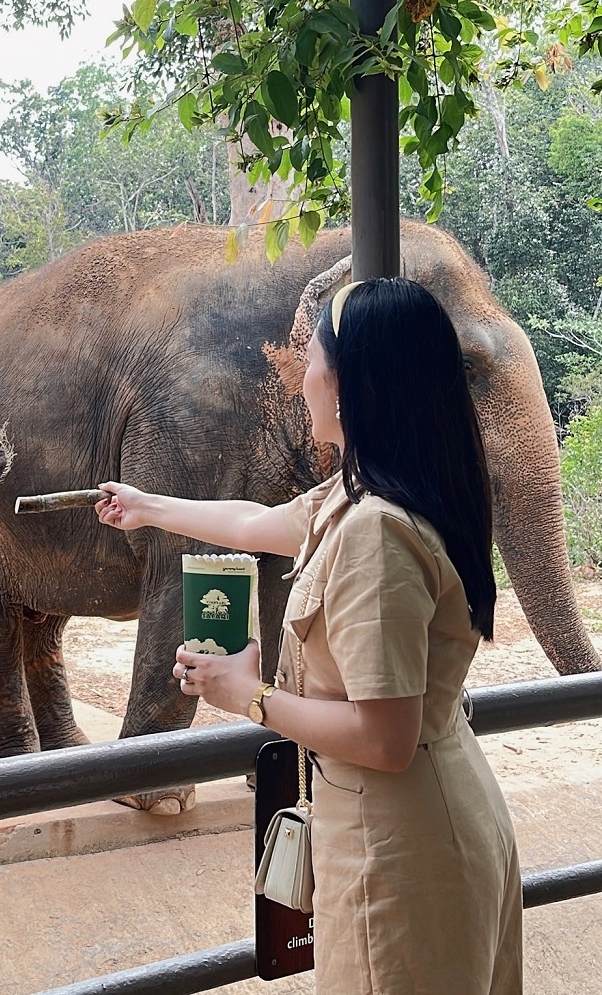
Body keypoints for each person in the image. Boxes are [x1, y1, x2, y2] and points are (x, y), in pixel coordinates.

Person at [95, 277, 522, 994]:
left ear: (353, 380)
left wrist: (249, 694)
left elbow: (385, 735)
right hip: (420, 820)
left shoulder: (376, 531)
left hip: (403, 848)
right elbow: (252, 523)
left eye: (311, 354)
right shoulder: (370, 493)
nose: (302, 377)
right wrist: (146, 505)